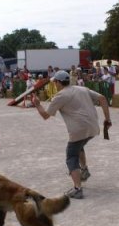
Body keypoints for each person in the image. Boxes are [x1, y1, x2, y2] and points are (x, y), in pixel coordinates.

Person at [31, 70, 111, 200]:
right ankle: (84, 170)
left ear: (58, 82)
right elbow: (102, 98)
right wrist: (107, 119)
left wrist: (37, 105)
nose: (54, 84)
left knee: (71, 156)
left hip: (78, 130)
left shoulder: (60, 96)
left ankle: (77, 189)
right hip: (93, 127)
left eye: (55, 82)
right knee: (79, 146)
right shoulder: (82, 88)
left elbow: (45, 115)